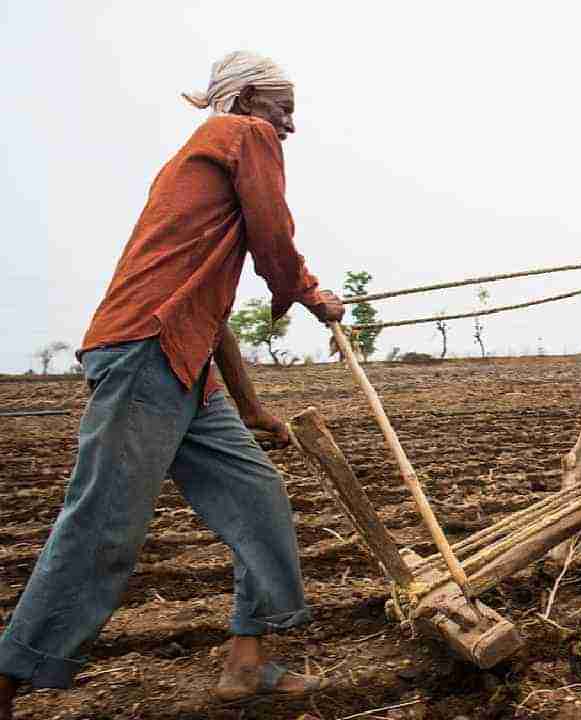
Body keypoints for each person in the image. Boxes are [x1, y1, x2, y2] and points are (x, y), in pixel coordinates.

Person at [0, 51, 342, 717]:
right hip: (147, 354)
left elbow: (209, 315)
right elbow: (274, 239)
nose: (290, 127)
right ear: (247, 98)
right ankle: (8, 677)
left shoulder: (204, 165)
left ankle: (246, 661)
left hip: (184, 359)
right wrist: (309, 293)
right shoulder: (246, 136)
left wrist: (250, 407)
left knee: (258, 495)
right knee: (104, 523)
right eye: (285, 109)